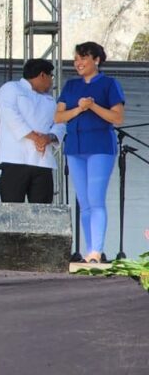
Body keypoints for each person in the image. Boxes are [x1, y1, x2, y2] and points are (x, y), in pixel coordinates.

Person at [55, 42, 126, 263]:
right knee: (84, 202)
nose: (78, 63)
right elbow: (58, 117)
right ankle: (90, 251)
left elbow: (117, 118)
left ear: (96, 60)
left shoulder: (109, 84)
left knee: (96, 199)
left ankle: (97, 249)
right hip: (75, 147)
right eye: (76, 59)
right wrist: (79, 108)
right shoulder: (71, 85)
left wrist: (93, 106)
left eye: (83, 58)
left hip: (100, 147)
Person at [0, 58, 66, 204]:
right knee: (13, 213)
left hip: (42, 162)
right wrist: (35, 137)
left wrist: (49, 137)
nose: (52, 82)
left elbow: (60, 122)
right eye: (51, 77)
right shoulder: (11, 88)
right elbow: (11, 116)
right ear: (42, 75)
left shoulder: (51, 100)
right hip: (13, 160)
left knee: (43, 213)